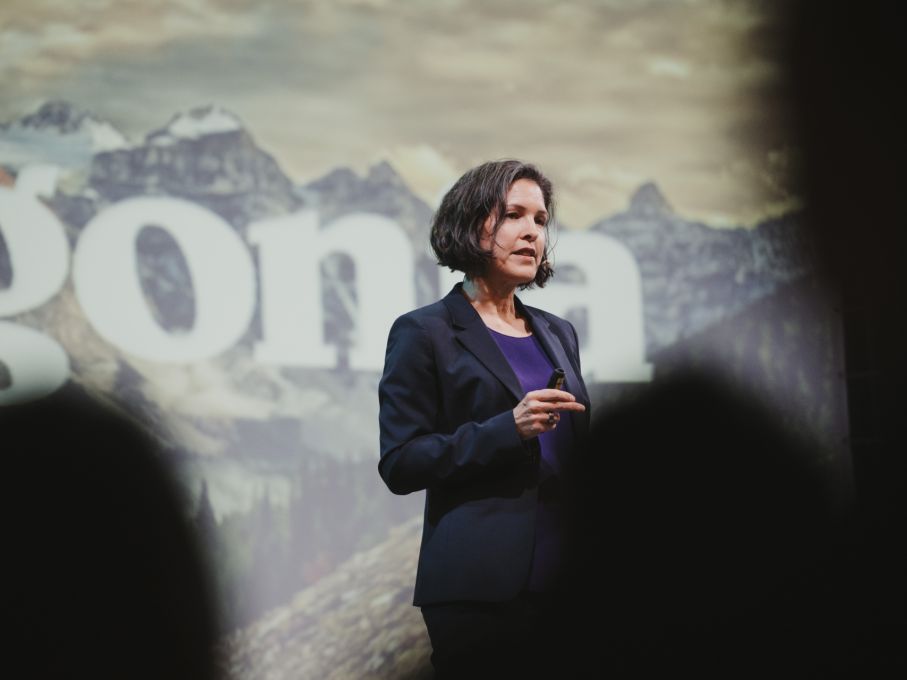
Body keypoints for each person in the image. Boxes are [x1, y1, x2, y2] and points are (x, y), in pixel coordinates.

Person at [378, 159, 589, 678]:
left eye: (540, 220)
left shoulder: (557, 332)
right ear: (473, 226)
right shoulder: (425, 331)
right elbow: (401, 462)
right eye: (513, 214)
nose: (531, 231)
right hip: (479, 589)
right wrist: (505, 429)